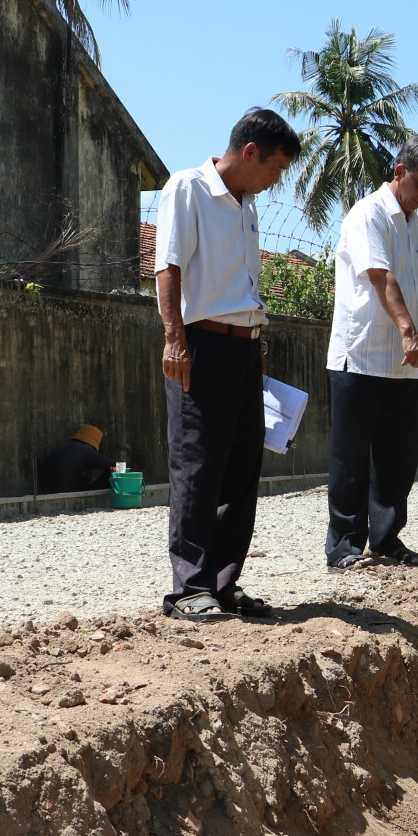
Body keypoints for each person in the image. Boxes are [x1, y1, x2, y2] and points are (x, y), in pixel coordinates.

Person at [153, 107, 300, 622]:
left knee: (241, 467)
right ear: (250, 152)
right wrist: (174, 339)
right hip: (201, 344)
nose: (276, 180)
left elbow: (245, 288)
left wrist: (256, 352)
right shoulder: (187, 188)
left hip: (244, 348)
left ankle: (222, 582)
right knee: (197, 465)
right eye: (277, 168)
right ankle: (189, 587)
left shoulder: (248, 205)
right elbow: (167, 268)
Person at [323, 137, 418, 570]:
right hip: (361, 355)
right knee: (352, 456)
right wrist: (408, 334)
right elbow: (381, 279)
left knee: (399, 457)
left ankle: (386, 539)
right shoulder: (369, 215)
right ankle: (343, 546)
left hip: (403, 362)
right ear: (399, 172)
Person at [41, 424, 110, 494]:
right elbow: (115, 465)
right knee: (116, 472)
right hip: (66, 493)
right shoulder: (85, 450)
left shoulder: (63, 448)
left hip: (47, 492)